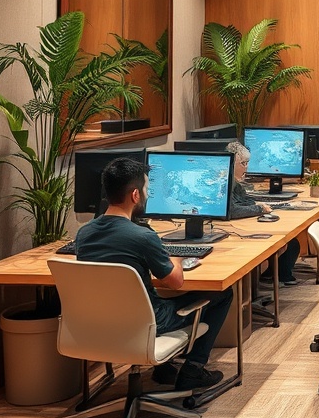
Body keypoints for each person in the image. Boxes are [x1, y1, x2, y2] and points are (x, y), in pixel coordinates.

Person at [75, 157, 233, 391]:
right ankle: (193, 370)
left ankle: (164, 368)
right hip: (149, 323)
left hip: (97, 324)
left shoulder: (83, 235)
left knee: (155, 295)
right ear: (135, 195)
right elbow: (176, 282)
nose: (148, 195)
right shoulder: (142, 237)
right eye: (147, 189)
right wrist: (176, 259)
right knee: (222, 293)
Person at [226, 141, 300, 285]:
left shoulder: (235, 182)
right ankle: (270, 280)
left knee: (291, 243)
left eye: (248, 163)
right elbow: (232, 210)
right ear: (231, 162)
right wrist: (259, 209)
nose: (246, 167)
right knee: (289, 243)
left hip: (241, 225)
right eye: (243, 163)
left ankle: (269, 277)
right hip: (234, 230)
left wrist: (264, 204)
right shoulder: (226, 183)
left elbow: (246, 200)